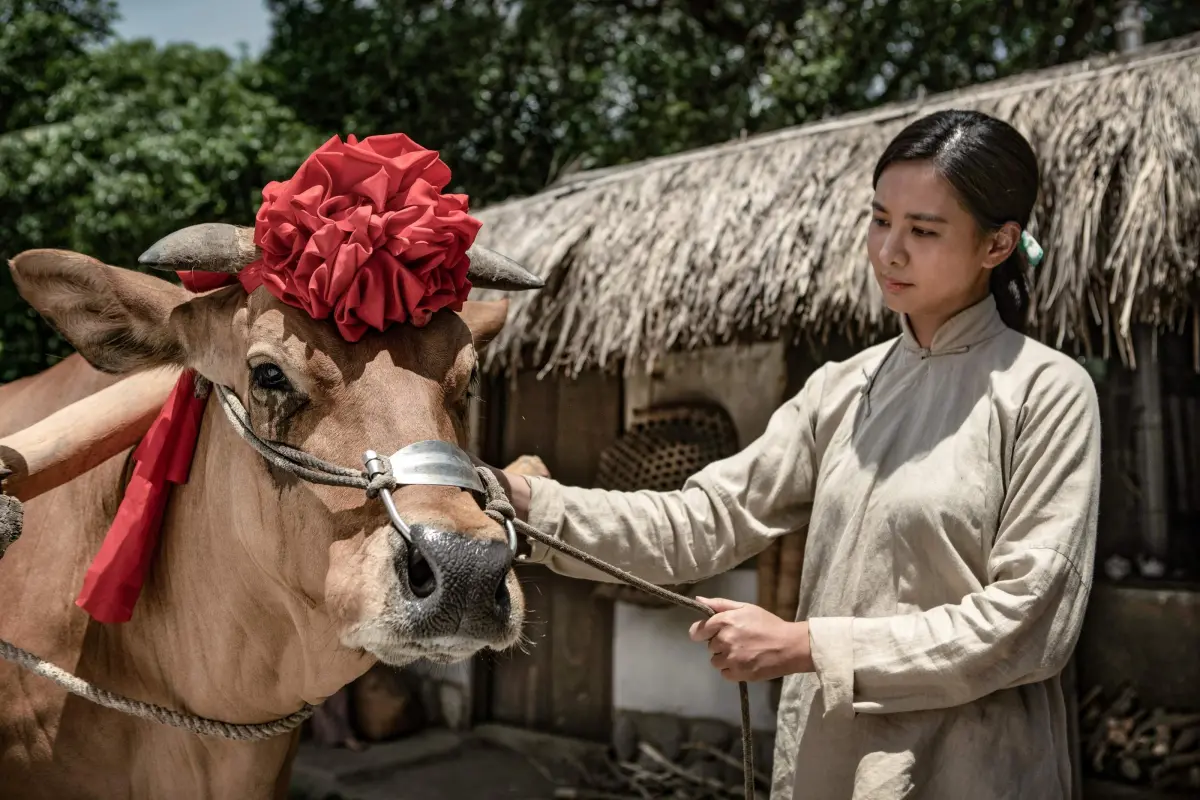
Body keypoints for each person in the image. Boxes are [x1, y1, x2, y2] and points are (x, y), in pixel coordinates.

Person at [488, 108, 1100, 800]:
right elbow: (705, 520)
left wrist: (806, 646)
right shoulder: (843, 389)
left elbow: (1026, 624)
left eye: (923, 230)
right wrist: (529, 506)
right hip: (830, 768)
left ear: (999, 244)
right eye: (879, 219)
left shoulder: (1045, 391)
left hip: (974, 771)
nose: (888, 250)